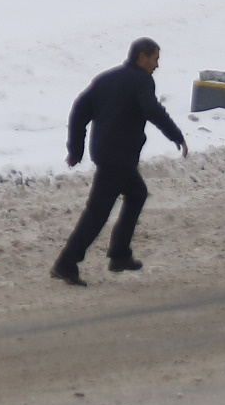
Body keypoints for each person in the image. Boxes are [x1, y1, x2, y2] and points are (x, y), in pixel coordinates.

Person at [53, 36, 185, 285]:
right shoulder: (142, 80)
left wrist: (76, 149)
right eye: (155, 59)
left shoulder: (107, 78)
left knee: (137, 194)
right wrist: (175, 134)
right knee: (98, 211)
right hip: (119, 156)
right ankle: (66, 263)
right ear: (142, 57)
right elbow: (151, 109)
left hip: (107, 153)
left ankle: (119, 254)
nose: (157, 65)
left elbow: (80, 109)